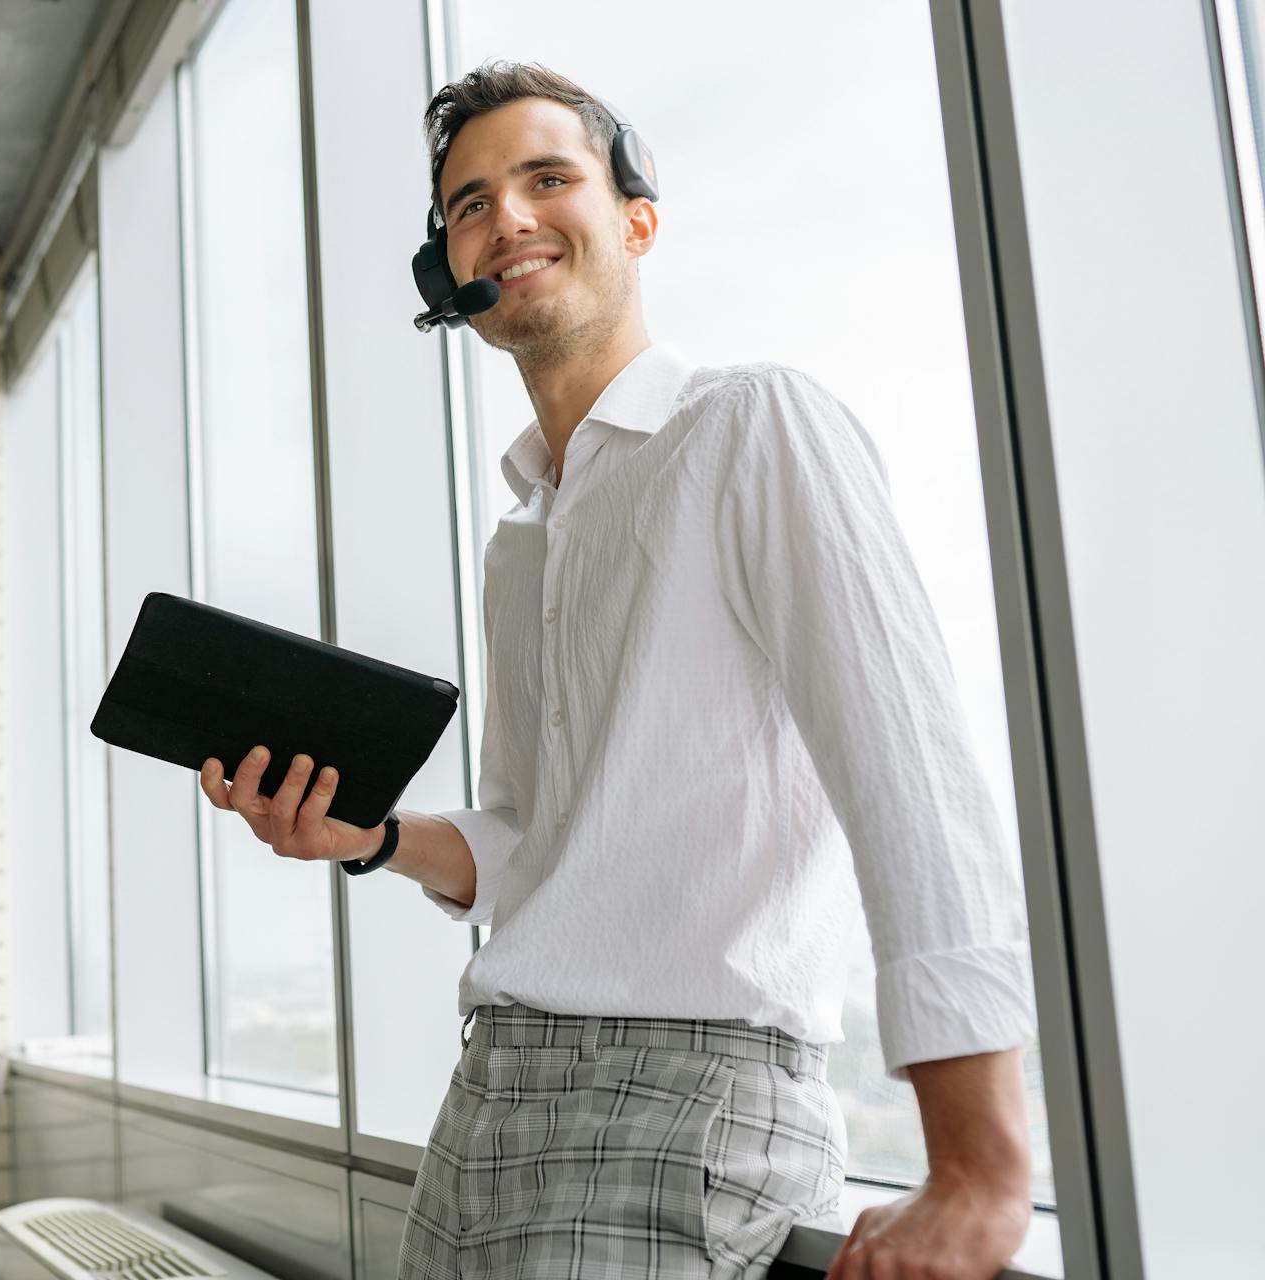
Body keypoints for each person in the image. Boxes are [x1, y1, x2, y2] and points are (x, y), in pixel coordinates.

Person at [198, 61, 1036, 1280]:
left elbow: (911, 773)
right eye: (470, 203)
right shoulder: (522, 534)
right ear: (453, 276)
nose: (510, 218)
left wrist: (980, 1162)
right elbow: (548, 846)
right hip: (488, 1099)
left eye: (550, 177)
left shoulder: (752, 424)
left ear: (636, 219)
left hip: (685, 1102)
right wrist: (371, 837)